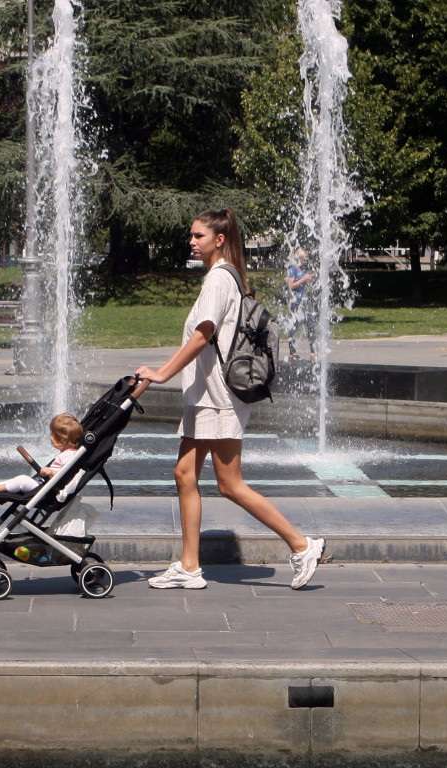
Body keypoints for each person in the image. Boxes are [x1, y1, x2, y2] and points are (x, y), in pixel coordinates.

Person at [135, 208, 324, 591]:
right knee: (184, 473)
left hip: (217, 396)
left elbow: (203, 335)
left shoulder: (219, 279)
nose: (192, 241)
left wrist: (162, 373)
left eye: (199, 235)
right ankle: (190, 566)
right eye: (191, 235)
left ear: (219, 240)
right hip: (205, 394)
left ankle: (302, 545)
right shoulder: (224, 276)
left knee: (230, 483)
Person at [0, 413, 83, 495]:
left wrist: (51, 472)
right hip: (46, 485)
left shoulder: (70, 455)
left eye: (54, 435)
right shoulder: (66, 453)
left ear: (64, 439)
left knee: (22, 480)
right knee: (18, 480)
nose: (51, 437)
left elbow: (68, 475)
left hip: (51, 490)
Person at [285, 248, 316, 361]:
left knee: (311, 324)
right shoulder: (293, 269)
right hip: (296, 301)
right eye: (304, 259)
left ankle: (313, 351)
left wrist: (309, 279)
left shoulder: (304, 270)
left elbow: (303, 282)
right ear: (299, 258)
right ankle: (292, 352)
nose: (305, 261)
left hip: (304, 300)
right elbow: (291, 285)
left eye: (306, 259)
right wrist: (304, 279)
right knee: (294, 326)